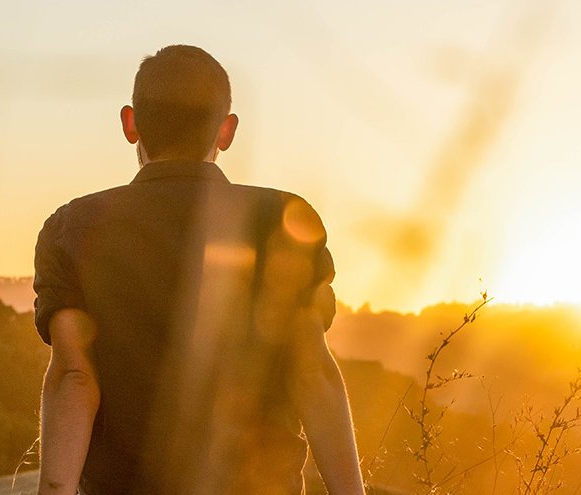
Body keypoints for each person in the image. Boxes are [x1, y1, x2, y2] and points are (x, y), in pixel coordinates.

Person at [33, 45, 366, 495]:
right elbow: (312, 373)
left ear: (130, 124)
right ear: (226, 130)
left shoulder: (73, 229)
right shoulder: (284, 221)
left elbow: (74, 377)